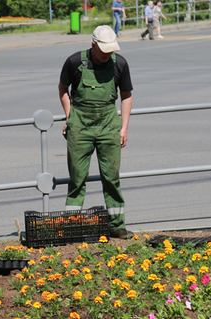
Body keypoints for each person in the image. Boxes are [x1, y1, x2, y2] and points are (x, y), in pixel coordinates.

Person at [58, 25, 133, 239]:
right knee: (77, 177)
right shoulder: (74, 62)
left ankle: (117, 225)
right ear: (93, 45)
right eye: (104, 50)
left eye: (112, 50)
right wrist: (69, 116)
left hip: (109, 125)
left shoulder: (120, 63)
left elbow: (126, 95)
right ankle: (71, 225)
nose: (109, 54)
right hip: (80, 125)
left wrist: (124, 127)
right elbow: (63, 89)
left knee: (111, 177)